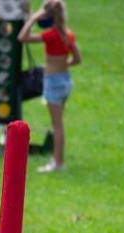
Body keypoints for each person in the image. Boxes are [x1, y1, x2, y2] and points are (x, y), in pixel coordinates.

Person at [18, 0, 81, 173]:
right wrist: (63, 64)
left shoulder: (50, 36)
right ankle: (57, 159)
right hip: (66, 80)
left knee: (57, 125)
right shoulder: (68, 35)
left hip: (53, 82)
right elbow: (77, 59)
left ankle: (58, 162)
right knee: (59, 123)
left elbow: (22, 37)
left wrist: (32, 19)